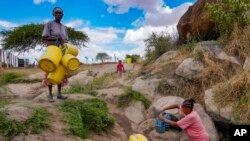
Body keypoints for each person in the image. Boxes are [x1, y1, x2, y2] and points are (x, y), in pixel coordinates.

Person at [42, 7, 68, 102]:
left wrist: (62, 41)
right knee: (50, 70)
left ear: (62, 15)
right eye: (56, 12)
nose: (58, 14)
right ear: (53, 14)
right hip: (52, 51)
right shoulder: (49, 24)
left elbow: (66, 41)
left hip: (61, 51)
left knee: (60, 71)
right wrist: (57, 38)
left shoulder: (64, 27)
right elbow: (44, 37)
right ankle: (50, 95)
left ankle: (59, 94)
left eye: (60, 13)